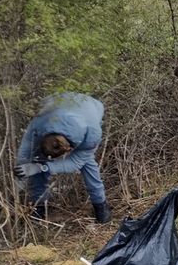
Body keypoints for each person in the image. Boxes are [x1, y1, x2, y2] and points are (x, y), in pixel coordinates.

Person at [14, 92, 111, 223]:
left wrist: (41, 167)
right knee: (38, 158)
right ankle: (39, 206)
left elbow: (76, 162)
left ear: (69, 149)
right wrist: (20, 175)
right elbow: (25, 150)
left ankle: (101, 205)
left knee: (86, 163)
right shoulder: (39, 124)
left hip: (90, 107)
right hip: (56, 103)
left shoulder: (92, 133)